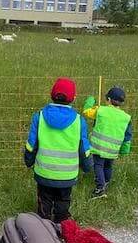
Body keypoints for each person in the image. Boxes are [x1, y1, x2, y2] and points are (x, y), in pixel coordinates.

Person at [24, 77, 92, 222]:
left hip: (44, 172)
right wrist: (87, 166)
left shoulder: (39, 117)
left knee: (44, 200)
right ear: (73, 98)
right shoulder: (79, 121)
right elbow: (84, 148)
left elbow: (31, 144)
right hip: (67, 175)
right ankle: (61, 224)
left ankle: (44, 226)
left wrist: (28, 161)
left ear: (51, 95)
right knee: (63, 200)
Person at [82, 87, 132, 198]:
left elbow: (86, 112)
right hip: (114, 149)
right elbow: (128, 135)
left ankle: (100, 188)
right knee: (108, 166)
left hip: (99, 147)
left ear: (108, 99)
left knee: (98, 165)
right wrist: (124, 149)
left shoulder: (100, 110)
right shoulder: (126, 117)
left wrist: (90, 100)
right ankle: (106, 182)